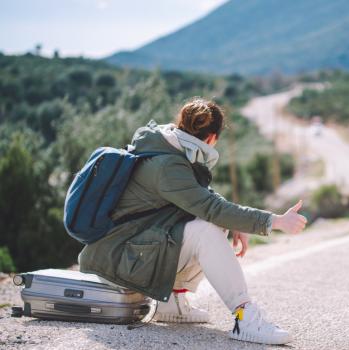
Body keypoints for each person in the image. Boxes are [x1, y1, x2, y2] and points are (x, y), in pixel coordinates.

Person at [78, 98, 307, 345]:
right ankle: (245, 317)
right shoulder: (167, 165)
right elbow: (210, 207)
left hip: (129, 252)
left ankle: (173, 304)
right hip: (117, 261)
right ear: (211, 139)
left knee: (215, 223)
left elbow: (204, 198)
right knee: (206, 231)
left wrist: (237, 222)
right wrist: (275, 221)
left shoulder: (169, 149)